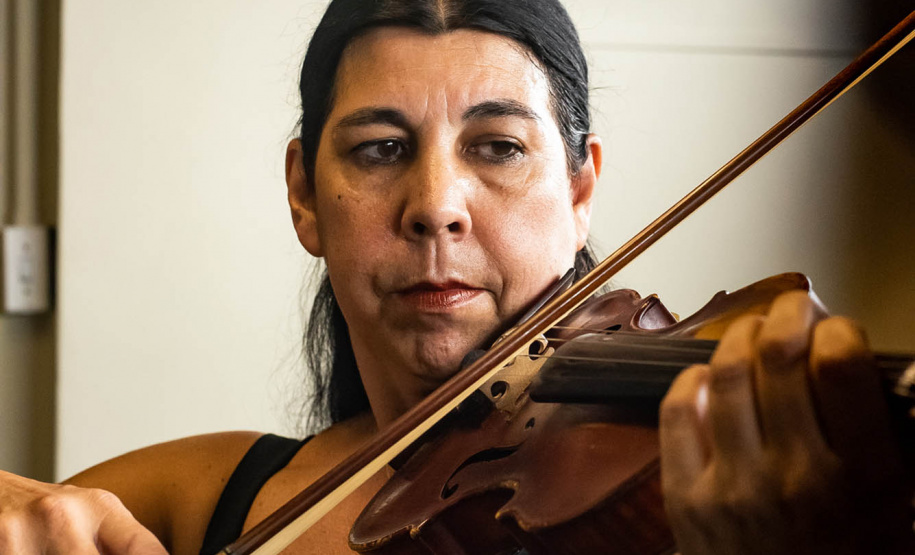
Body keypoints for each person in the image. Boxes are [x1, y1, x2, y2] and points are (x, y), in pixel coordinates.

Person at [0, 0, 910, 554]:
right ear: (303, 195)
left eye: (499, 147)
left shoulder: (721, 496)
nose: (436, 203)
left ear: (581, 186)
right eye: (381, 149)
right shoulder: (204, 498)